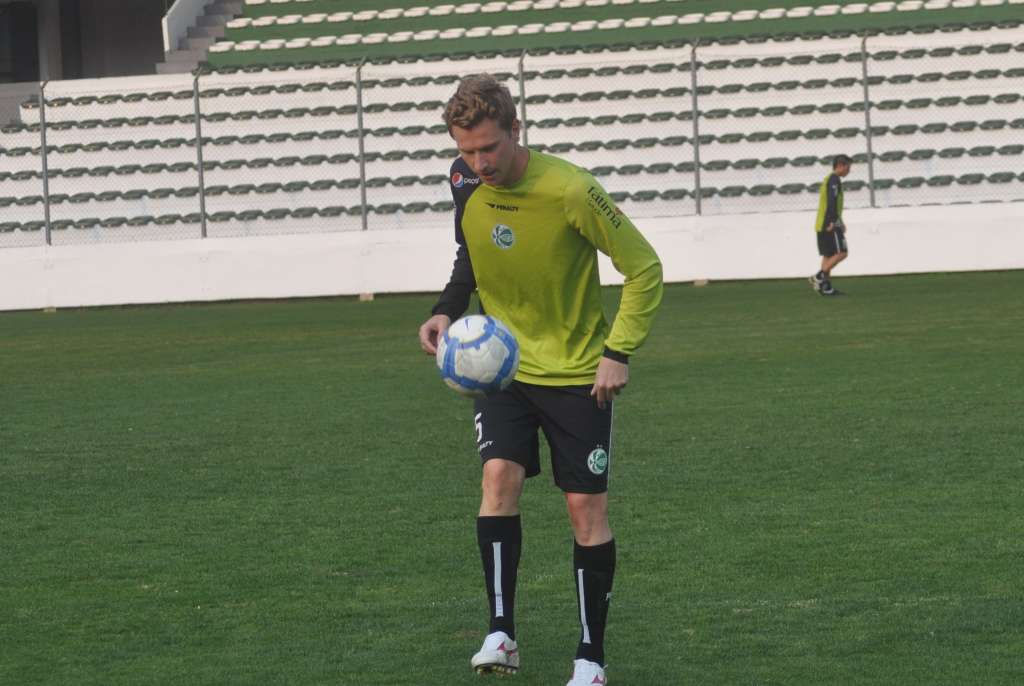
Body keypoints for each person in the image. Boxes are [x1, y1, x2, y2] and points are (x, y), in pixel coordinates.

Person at [417, 74, 663, 686]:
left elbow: (645, 268)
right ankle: (501, 634)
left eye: (489, 149)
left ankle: (590, 658)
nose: (478, 163)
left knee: (585, 509)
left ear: (515, 131)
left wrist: (619, 351)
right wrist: (445, 309)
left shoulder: (572, 190)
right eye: (467, 151)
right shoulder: (465, 181)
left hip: (580, 374)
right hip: (504, 369)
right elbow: (470, 257)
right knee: (497, 479)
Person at [809, 154, 852, 296]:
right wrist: (834, 222)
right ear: (840, 165)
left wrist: (840, 220)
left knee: (829, 255)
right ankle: (818, 277)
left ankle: (826, 288)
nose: (849, 170)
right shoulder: (834, 180)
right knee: (842, 252)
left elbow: (831, 203)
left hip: (822, 223)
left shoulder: (829, 179)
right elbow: (832, 202)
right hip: (829, 223)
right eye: (847, 167)